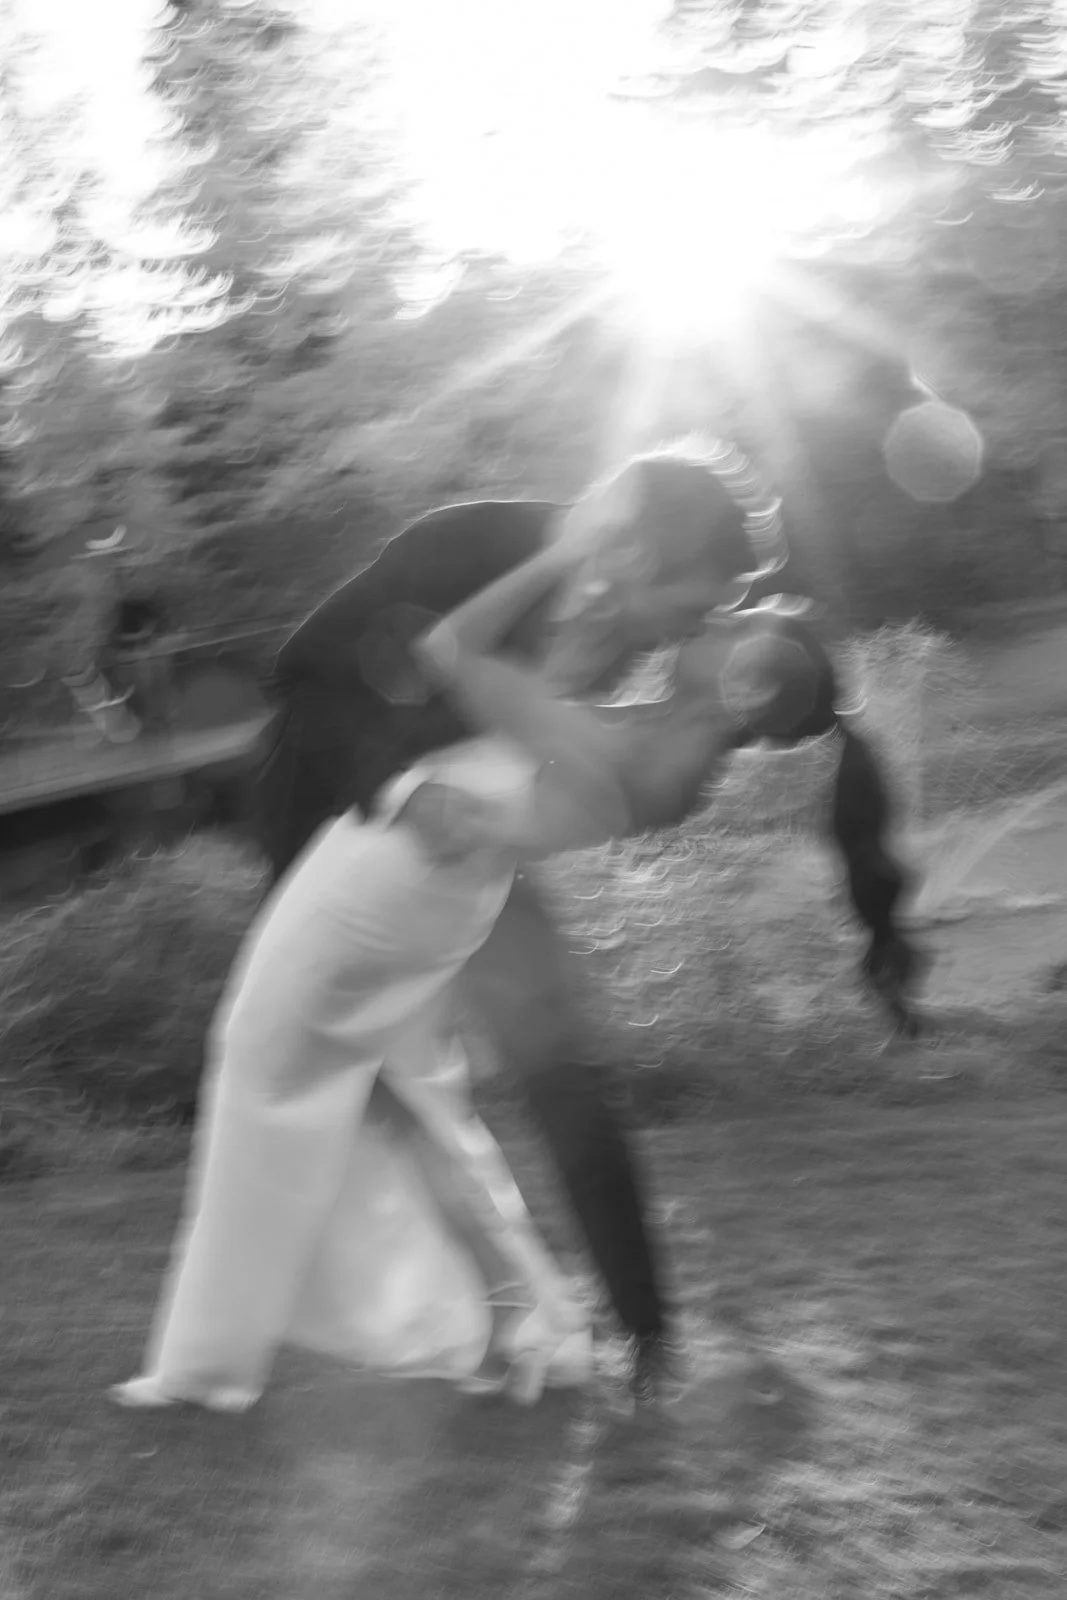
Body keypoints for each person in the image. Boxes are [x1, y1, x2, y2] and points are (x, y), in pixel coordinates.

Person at [254, 447, 781, 1399]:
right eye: (696, 603)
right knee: (377, 1094)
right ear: (644, 552)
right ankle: (471, 1321)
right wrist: (401, 793)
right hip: (333, 821)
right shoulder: (472, 542)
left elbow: (535, 734)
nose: (697, 628)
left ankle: (646, 1338)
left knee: (562, 1062)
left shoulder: (623, 632)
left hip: (471, 844)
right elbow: (306, 677)